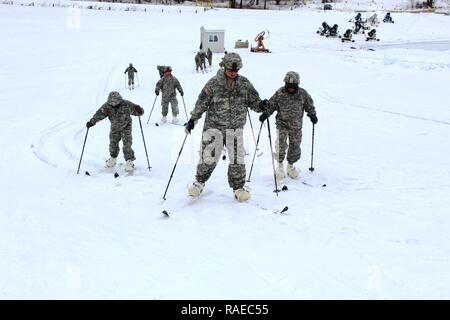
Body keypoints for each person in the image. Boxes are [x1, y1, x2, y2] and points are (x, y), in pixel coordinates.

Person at [184, 52, 266, 201]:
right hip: (214, 127)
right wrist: (193, 119)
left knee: (237, 159)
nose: (233, 73)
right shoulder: (213, 83)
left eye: (236, 71)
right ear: (224, 67)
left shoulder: (245, 84)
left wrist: (261, 105)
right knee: (208, 157)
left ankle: (238, 188)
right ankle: (199, 183)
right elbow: (201, 103)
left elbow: (254, 102)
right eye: (230, 70)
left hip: (235, 129)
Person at [259, 71, 317, 180]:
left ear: (297, 85)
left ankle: (290, 166)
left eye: (293, 86)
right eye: (288, 85)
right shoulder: (280, 93)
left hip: (296, 125)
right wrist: (265, 114)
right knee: (280, 144)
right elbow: (271, 105)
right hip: (282, 123)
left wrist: (312, 115)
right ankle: (280, 166)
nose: (290, 88)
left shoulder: (303, 94)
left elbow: (309, 106)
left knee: (295, 146)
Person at [86, 91, 144, 172]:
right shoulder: (107, 106)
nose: (114, 104)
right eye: (112, 102)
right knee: (113, 143)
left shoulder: (126, 104)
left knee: (127, 143)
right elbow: (99, 114)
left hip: (126, 125)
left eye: (116, 102)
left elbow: (139, 112)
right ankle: (113, 158)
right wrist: (92, 122)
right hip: (114, 127)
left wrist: (139, 110)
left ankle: (129, 161)